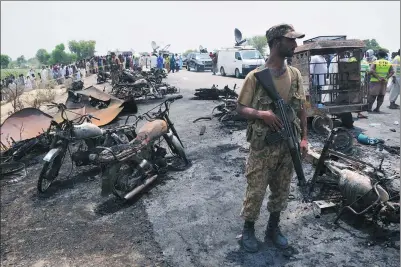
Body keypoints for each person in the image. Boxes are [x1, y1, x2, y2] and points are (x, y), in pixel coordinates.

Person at [236, 23, 308, 253]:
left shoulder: (295, 74)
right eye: (291, 40)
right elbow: (240, 108)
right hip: (263, 145)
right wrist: (261, 114)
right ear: (277, 43)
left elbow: (302, 109)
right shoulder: (255, 77)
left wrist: (304, 139)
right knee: (256, 189)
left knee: (282, 189)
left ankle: (273, 229)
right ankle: (248, 231)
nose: (296, 45)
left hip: (288, 145)